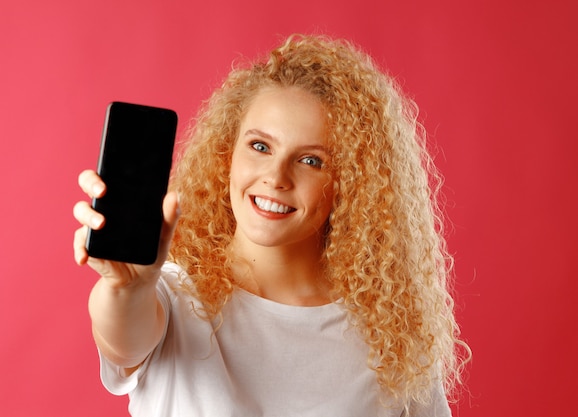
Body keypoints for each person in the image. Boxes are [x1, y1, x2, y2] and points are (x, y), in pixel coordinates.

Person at [73, 34, 469, 416]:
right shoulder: (171, 297)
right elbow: (123, 344)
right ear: (227, 154)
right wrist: (127, 289)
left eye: (311, 160)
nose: (276, 176)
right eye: (260, 147)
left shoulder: (391, 336)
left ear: (351, 183)